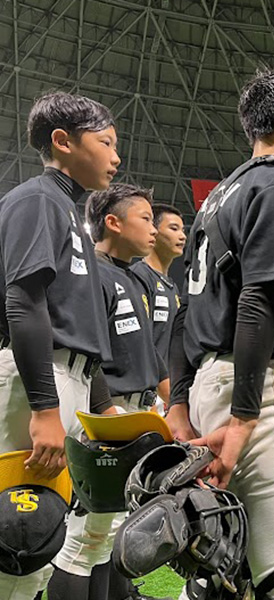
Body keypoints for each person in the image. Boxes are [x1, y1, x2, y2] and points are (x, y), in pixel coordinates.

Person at [167, 67, 274, 599]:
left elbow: (182, 310)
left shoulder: (217, 197)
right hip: (253, 392)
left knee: (219, 577)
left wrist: (177, 404)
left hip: (203, 391)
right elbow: (261, 298)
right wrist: (243, 421)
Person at [0, 91, 117, 600]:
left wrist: (102, 406)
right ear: (63, 142)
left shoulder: (70, 212)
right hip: (35, 384)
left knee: (42, 546)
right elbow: (23, 302)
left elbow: (78, 327)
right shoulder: (37, 199)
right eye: (106, 142)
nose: (116, 157)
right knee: (16, 545)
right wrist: (47, 409)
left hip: (62, 381)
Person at [48, 183, 167, 600]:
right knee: (82, 538)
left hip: (130, 411)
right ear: (113, 223)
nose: (153, 229)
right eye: (146, 219)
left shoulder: (132, 277)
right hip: (106, 410)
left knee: (105, 535)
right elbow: (87, 349)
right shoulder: (93, 274)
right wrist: (103, 411)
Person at [131, 203, 185, 413]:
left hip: (166, 393)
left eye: (182, 230)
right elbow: (139, 341)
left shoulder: (173, 287)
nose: (182, 236)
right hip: (144, 396)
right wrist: (163, 393)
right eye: (173, 229)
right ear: (153, 232)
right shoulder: (138, 276)